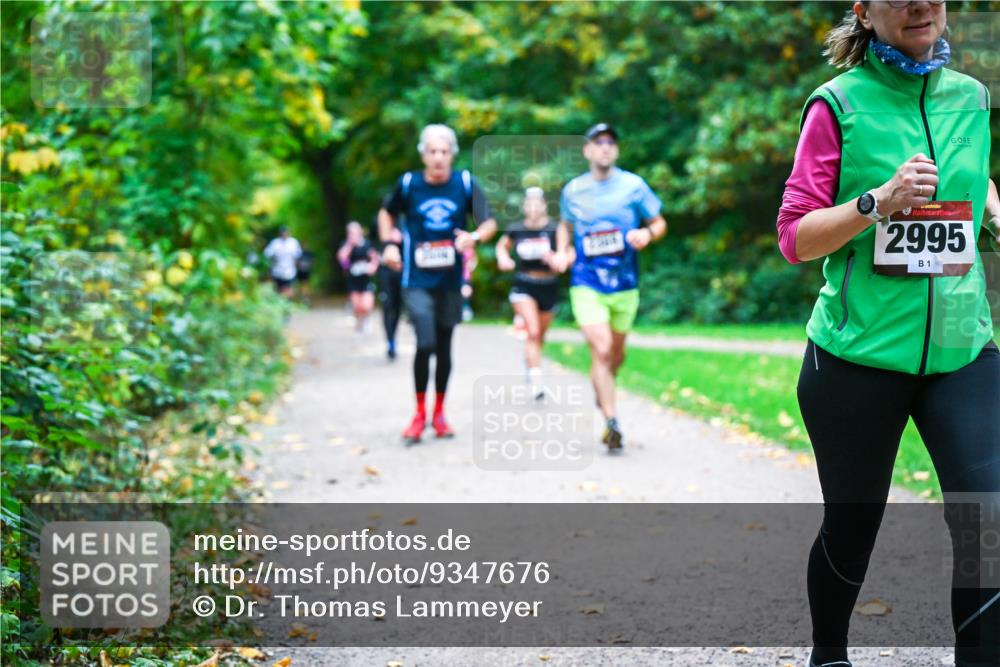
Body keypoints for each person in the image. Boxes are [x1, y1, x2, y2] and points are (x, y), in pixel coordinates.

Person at [776, 3, 999, 666]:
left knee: (988, 517)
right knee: (853, 526)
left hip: (962, 349)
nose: (921, 5)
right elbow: (794, 236)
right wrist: (878, 202)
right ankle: (830, 653)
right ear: (865, 12)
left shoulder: (972, 95)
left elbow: (968, 179)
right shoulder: (838, 105)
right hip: (857, 357)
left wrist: (990, 202)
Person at [551, 123, 667, 452]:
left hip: (625, 284)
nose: (605, 147)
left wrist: (647, 234)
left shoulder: (633, 186)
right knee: (601, 349)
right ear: (587, 150)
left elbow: (658, 222)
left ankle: (602, 392)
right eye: (598, 142)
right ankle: (612, 421)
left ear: (615, 150)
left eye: (610, 143)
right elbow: (565, 225)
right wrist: (563, 251)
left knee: (615, 355)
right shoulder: (573, 190)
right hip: (586, 283)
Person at [378, 123, 497, 444]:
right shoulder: (409, 184)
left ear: (452, 154)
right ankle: (419, 413)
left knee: (444, 346)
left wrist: (473, 237)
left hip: (450, 280)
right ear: (423, 154)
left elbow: (489, 222)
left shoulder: (465, 182)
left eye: (445, 151)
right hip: (415, 278)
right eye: (433, 151)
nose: (439, 157)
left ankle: (439, 413)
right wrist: (390, 242)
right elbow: (386, 215)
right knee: (426, 341)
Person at [496, 186, 562, 401]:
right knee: (532, 332)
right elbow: (501, 246)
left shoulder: (555, 228)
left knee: (539, 336)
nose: (533, 208)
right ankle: (537, 382)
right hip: (524, 285)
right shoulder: (516, 229)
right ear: (524, 207)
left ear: (544, 206)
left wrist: (560, 259)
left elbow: (567, 252)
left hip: (549, 285)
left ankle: (530, 365)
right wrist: (503, 258)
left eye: (537, 204)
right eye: (529, 204)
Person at [337, 221, 379, 337]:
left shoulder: (367, 244)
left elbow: (374, 257)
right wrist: (350, 245)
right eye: (351, 232)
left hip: (366, 279)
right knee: (357, 306)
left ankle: (366, 320)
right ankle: (359, 325)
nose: (353, 234)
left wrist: (372, 267)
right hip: (353, 280)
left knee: (366, 305)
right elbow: (342, 259)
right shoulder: (346, 245)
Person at [375, 216, 404, 360]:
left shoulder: (405, 221)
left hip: (401, 272)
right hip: (385, 272)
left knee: (397, 308)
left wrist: (401, 238)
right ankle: (390, 341)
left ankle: (393, 337)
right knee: (387, 307)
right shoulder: (379, 224)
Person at [263, 226, 302, 298]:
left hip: (290, 270)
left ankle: (288, 302)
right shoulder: (275, 243)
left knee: (289, 288)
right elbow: (267, 254)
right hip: (277, 270)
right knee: (279, 289)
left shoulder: (293, 242)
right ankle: (281, 302)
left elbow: (298, 256)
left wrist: (297, 266)